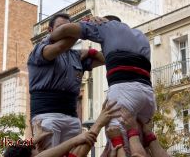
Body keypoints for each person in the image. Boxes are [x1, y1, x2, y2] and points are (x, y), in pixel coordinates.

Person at [48, 15, 156, 154]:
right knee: (140, 142)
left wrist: (52, 38)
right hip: (147, 95)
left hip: (124, 94)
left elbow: (66, 29)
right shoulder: (140, 35)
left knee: (120, 145)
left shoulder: (105, 26)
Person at [27, 13, 105, 149]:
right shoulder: (40, 49)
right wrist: (83, 27)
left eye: (69, 27)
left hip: (71, 116)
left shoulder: (75, 56)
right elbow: (59, 47)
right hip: (47, 115)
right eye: (61, 28)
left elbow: (105, 59)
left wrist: (93, 51)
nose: (66, 31)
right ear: (50, 31)